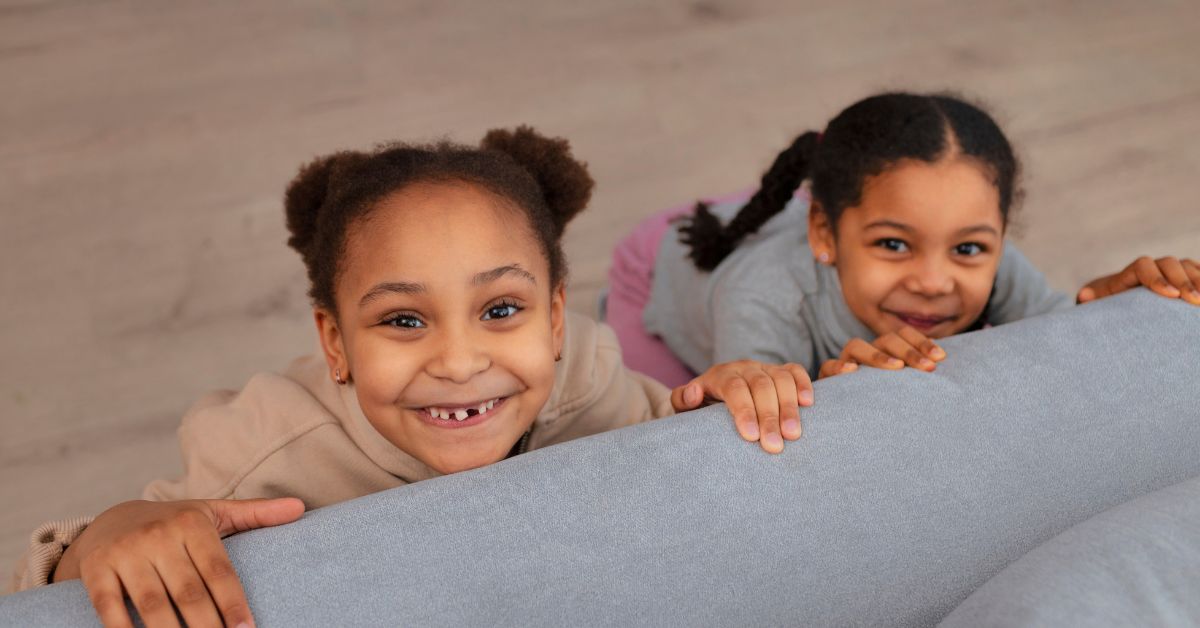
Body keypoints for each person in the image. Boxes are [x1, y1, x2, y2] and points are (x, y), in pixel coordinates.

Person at [9, 127, 813, 627]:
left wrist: (724, 397)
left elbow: (670, 447)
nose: (461, 365)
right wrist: (104, 537)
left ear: (557, 318)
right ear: (334, 342)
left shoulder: (591, 371)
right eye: (403, 320)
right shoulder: (264, 450)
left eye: (502, 310)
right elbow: (102, 571)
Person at [609, 92, 1199, 386]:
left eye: (968, 247)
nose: (934, 282)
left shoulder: (988, 265)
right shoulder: (764, 300)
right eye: (894, 245)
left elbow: (1053, 334)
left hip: (799, 223)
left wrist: (1105, 306)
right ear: (826, 235)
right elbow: (750, 424)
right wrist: (841, 397)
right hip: (663, 268)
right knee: (659, 408)